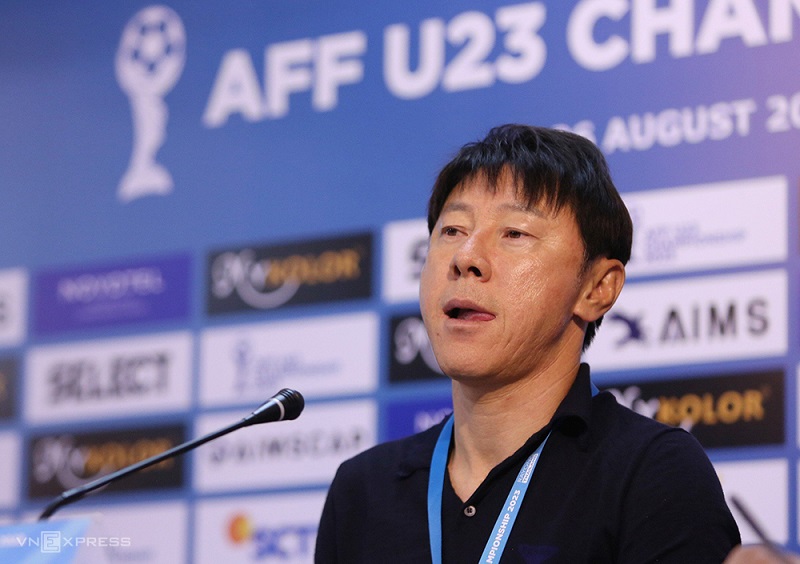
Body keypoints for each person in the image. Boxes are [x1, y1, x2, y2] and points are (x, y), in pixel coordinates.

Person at [315, 124, 741, 562]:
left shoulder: (651, 473)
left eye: (515, 233)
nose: (466, 257)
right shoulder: (363, 491)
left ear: (597, 288)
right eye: (453, 230)